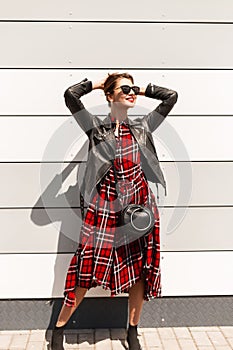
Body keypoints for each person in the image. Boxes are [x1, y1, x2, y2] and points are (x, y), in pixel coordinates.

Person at [51, 73, 178, 350]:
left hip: (139, 208)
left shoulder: (143, 128)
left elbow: (171, 97)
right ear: (110, 96)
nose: (131, 93)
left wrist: (141, 89)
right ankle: (59, 329)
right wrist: (99, 84)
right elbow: (71, 96)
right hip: (104, 209)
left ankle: (132, 330)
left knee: (139, 270)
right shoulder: (96, 129)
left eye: (133, 89)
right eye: (125, 89)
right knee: (86, 269)